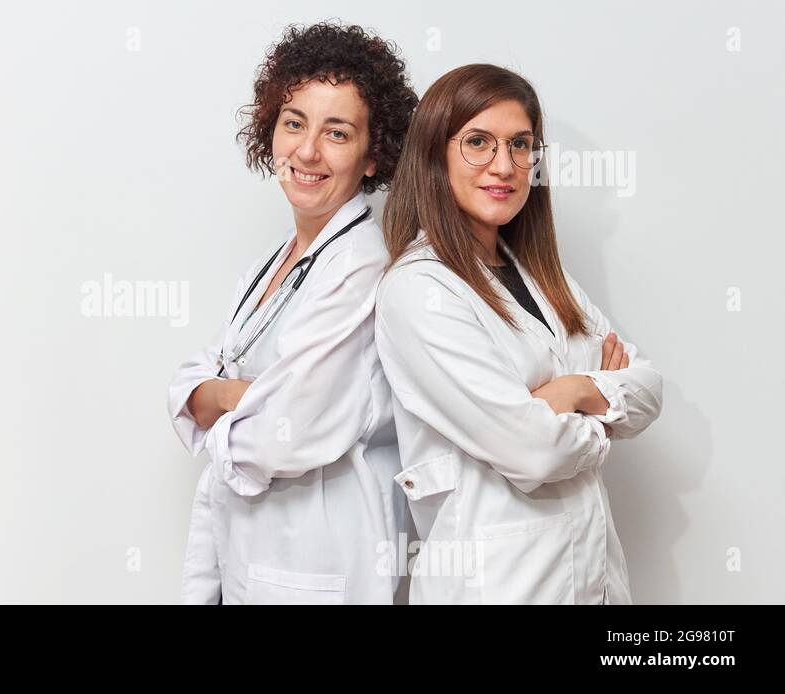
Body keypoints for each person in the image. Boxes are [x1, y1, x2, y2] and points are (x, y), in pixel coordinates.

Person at [375, 64, 663, 604]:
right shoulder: (419, 291)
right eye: (478, 143)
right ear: (435, 153)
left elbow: (649, 388)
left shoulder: (544, 278)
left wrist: (569, 393)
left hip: (591, 580)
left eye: (521, 145)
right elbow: (535, 453)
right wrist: (596, 396)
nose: (504, 166)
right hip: (496, 586)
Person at [167, 22, 417, 604]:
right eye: (294, 123)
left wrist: (217, 400)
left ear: (373, 155)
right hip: (249, 556)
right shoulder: (271, 263)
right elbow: (193, 382)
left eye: (337, 132)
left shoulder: (361, 267)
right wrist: (234, 395)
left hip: (317, 562)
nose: (306, 151)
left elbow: (283, 436)